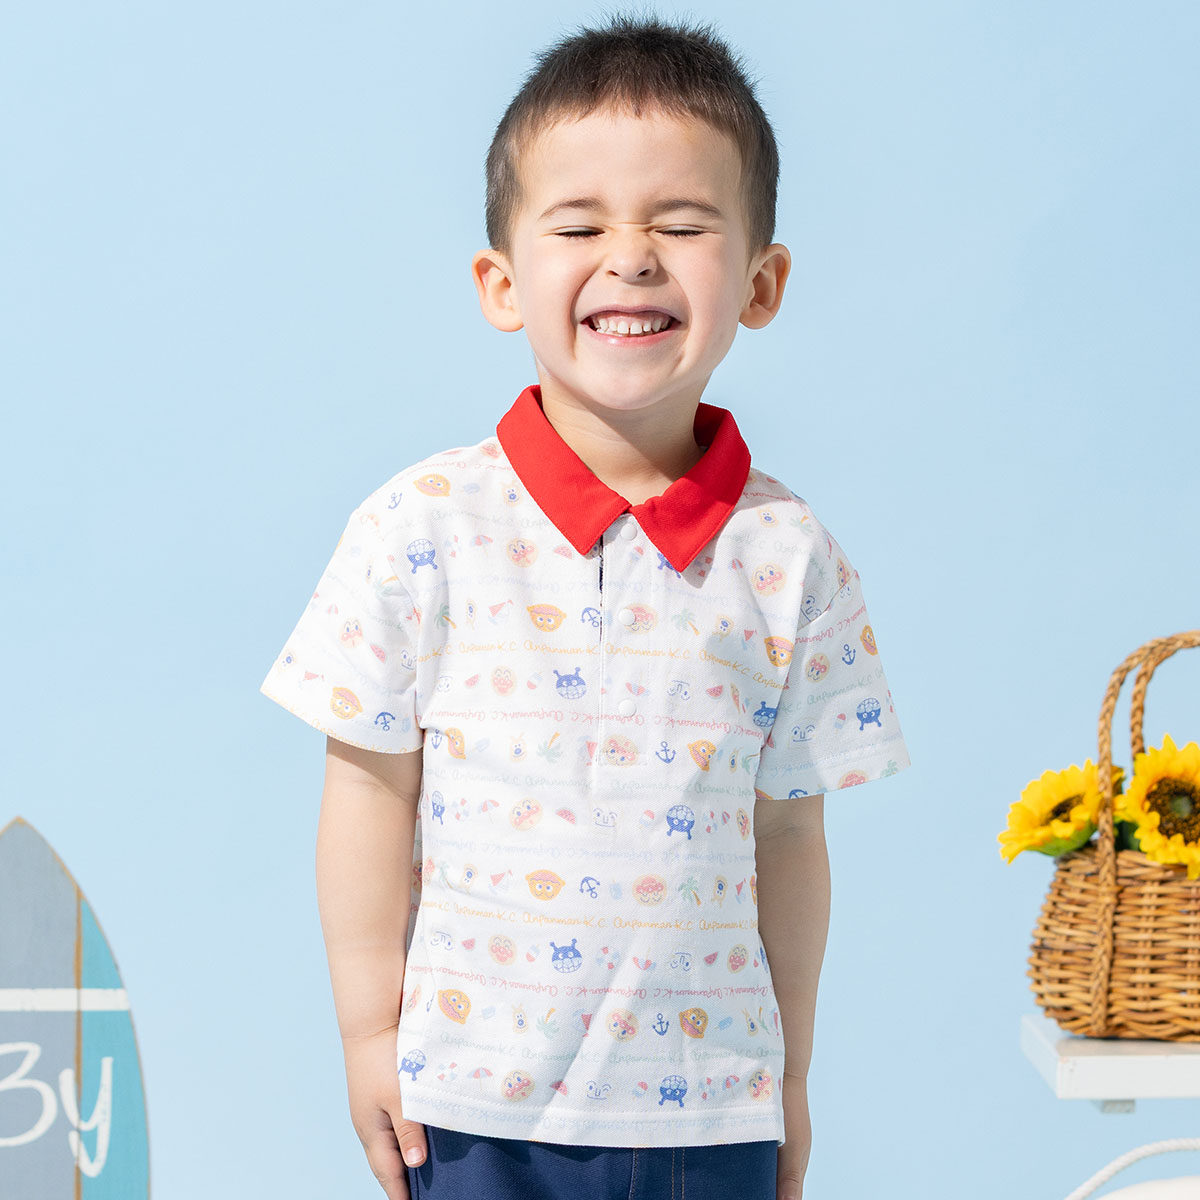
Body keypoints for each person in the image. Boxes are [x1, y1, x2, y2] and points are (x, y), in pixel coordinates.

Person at [261, 14, 910, 1200]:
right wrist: (368, 1033)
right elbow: (368, 789)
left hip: (710, 1110)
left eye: (682, 223)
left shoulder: (790, 556)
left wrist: (790, 1075)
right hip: (471, 1107)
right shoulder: (420, 527)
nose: (632, 258)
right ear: (502, 283)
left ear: (761, 282)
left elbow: (788, 835)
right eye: (580, 225)